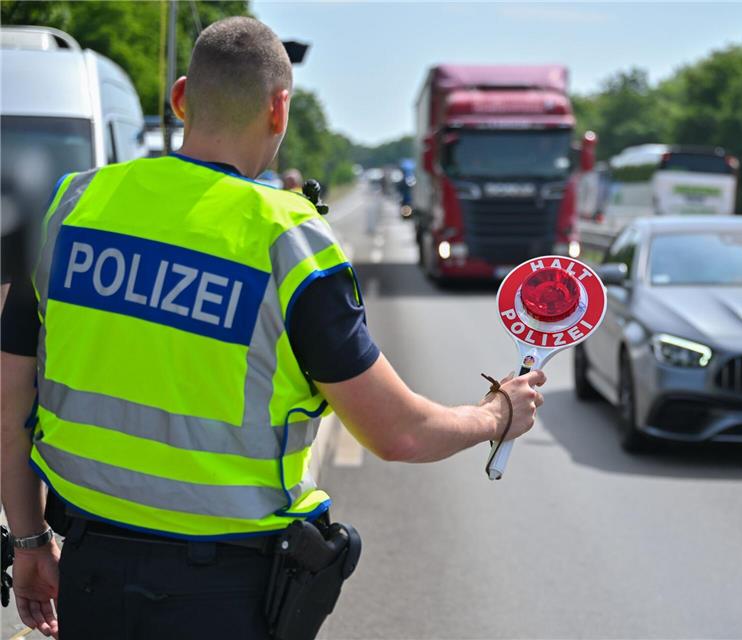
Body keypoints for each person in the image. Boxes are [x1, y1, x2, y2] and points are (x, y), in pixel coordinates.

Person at [0, 16, 545, 640]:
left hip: (91, 576)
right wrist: (498, 414)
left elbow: (8, 400)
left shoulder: (71, 207)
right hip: (223, 594)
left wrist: (28, 539)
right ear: (279, 109)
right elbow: (400, 435)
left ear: (181, 98)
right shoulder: (289, 242)